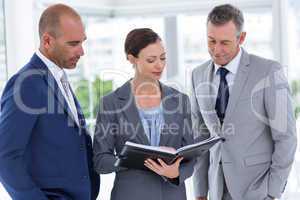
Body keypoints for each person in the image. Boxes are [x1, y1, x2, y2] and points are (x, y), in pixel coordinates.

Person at [191, 4, 297, 200]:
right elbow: (200, 139)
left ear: (241, 38)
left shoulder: (268, 71)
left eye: (225, 42)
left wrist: (272, 191)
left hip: (257, 190)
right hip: (216, 189)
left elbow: (286, 138)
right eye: (211, 41)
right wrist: (199, 192)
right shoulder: (197, 75)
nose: (216, 50)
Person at [0, 4, 99, 200]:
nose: (81, 51)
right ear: (47, 40)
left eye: (82, 42)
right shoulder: (26, 84)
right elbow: (5, 156)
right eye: (73, 44)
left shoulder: (58, 76)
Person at [93, 28, 195, 200]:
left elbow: (191, 158)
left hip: (172, 195)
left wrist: (176, 172)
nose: (159, 65)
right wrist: (132, 159)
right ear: (132, 59)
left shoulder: (180, 101)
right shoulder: (110, 103)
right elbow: (101, 161)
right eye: (151, 60)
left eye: (163, 58)